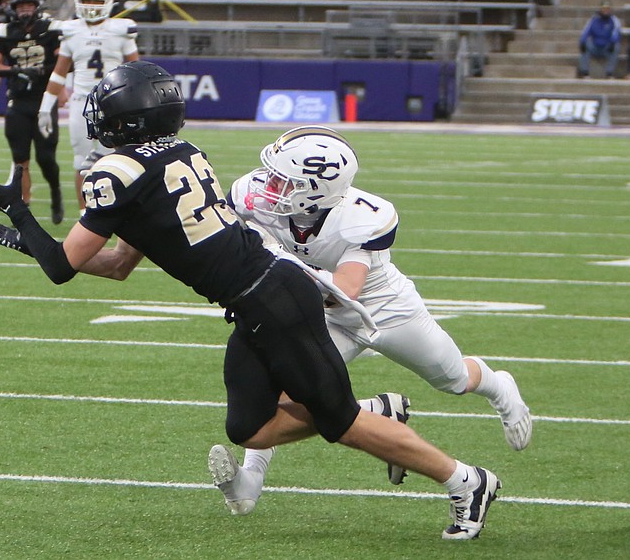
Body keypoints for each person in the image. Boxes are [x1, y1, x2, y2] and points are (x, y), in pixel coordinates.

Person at [0, 61, 501, 541]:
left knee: (340, 425)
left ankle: (465, 480)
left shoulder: (117, 174)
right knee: (248, 427)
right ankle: (377, 410)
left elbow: (62, 268)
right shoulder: (182, 154)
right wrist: (36, 243)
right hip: (259, 302)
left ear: (130, 120)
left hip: (275, 301)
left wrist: (21, 216)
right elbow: (114, 265)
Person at [224, 125, 531, 500]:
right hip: (319, 315)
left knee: (452, 379)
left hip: (384, 309)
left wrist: (279, 259)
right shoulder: (252, 194)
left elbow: (346, 291)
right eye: (273, 174)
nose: (269, 185)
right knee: (286, 390)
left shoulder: (361, 217)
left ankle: (499, 386)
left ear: (316, 192)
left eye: (284, 181)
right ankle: (252, 475)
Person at [39, 0, 139, 216]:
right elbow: (59, 73)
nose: (92, 6)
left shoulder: (121, 29)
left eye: (96, 1)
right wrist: (46, 107)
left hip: (115, 103)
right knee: (82, 160)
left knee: (119, 157)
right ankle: (86, 213)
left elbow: (136, 70)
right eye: (87, 1)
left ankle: (118, 208)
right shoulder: (71, 30)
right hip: (82, 102)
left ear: (109, 2)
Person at [0, 0, 65, 224]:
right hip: (18, 101)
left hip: (44, 101)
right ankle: (24, 208)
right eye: (21, 6)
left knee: (45, 158)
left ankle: (55, 192)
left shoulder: (50, 30)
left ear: (38, 7)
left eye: (29, 6)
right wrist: (17, 70)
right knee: (21, 159)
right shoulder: (5, 31)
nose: (25, 10)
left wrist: (43, 71)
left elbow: (65, 62)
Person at [576, 1, 622, 79]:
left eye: (607, 9)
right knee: (585, 44)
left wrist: (612, 42)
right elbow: (586, 32)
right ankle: (584, 72)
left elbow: (616, 33)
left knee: (616, 47)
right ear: (601, 9)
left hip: (606, 47)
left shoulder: (614, 20)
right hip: (595, 46)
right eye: (604, 9)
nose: (606, 11)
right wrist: (582, 41)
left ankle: (609, 73)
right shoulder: (593, 19)